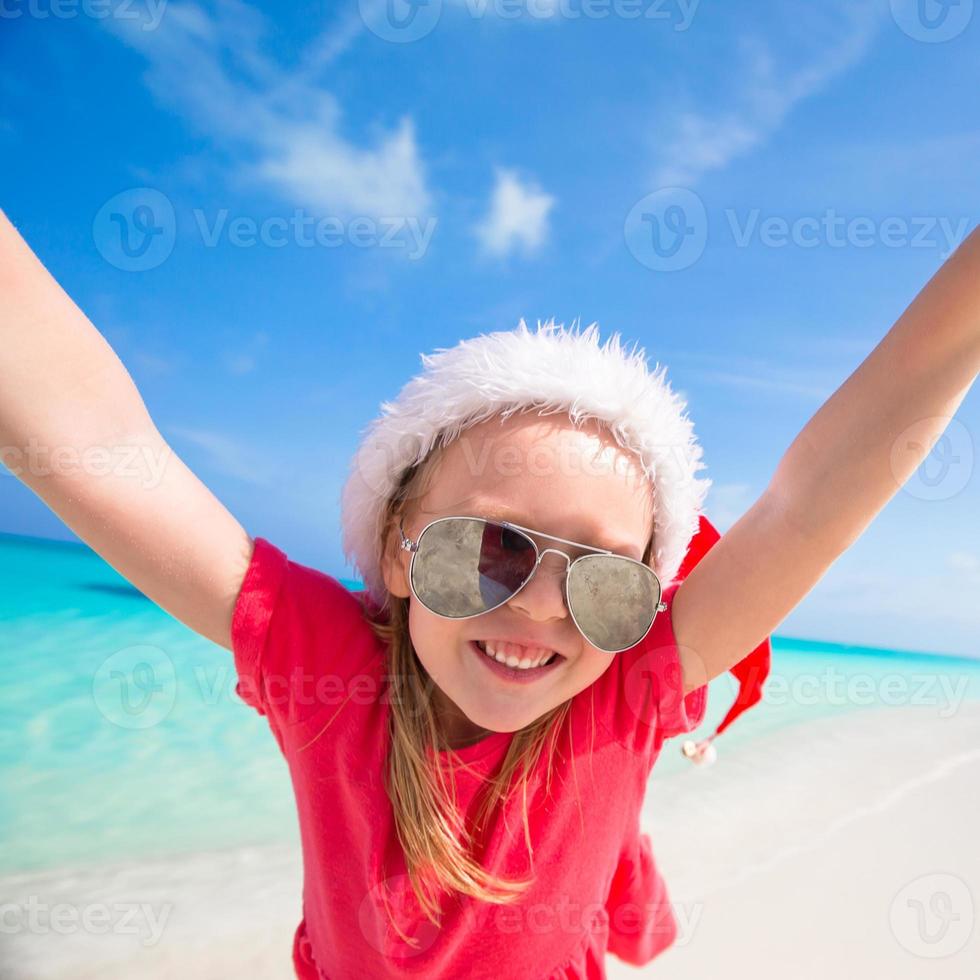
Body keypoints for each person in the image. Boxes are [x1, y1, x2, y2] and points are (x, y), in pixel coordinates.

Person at [2, 206, 978, 978]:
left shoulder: (624, 683)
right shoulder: (326, 668)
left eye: (605, 578)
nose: (545, 606)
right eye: (488, 549)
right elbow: (95, 445)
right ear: (394, 552)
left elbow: (810, 502)